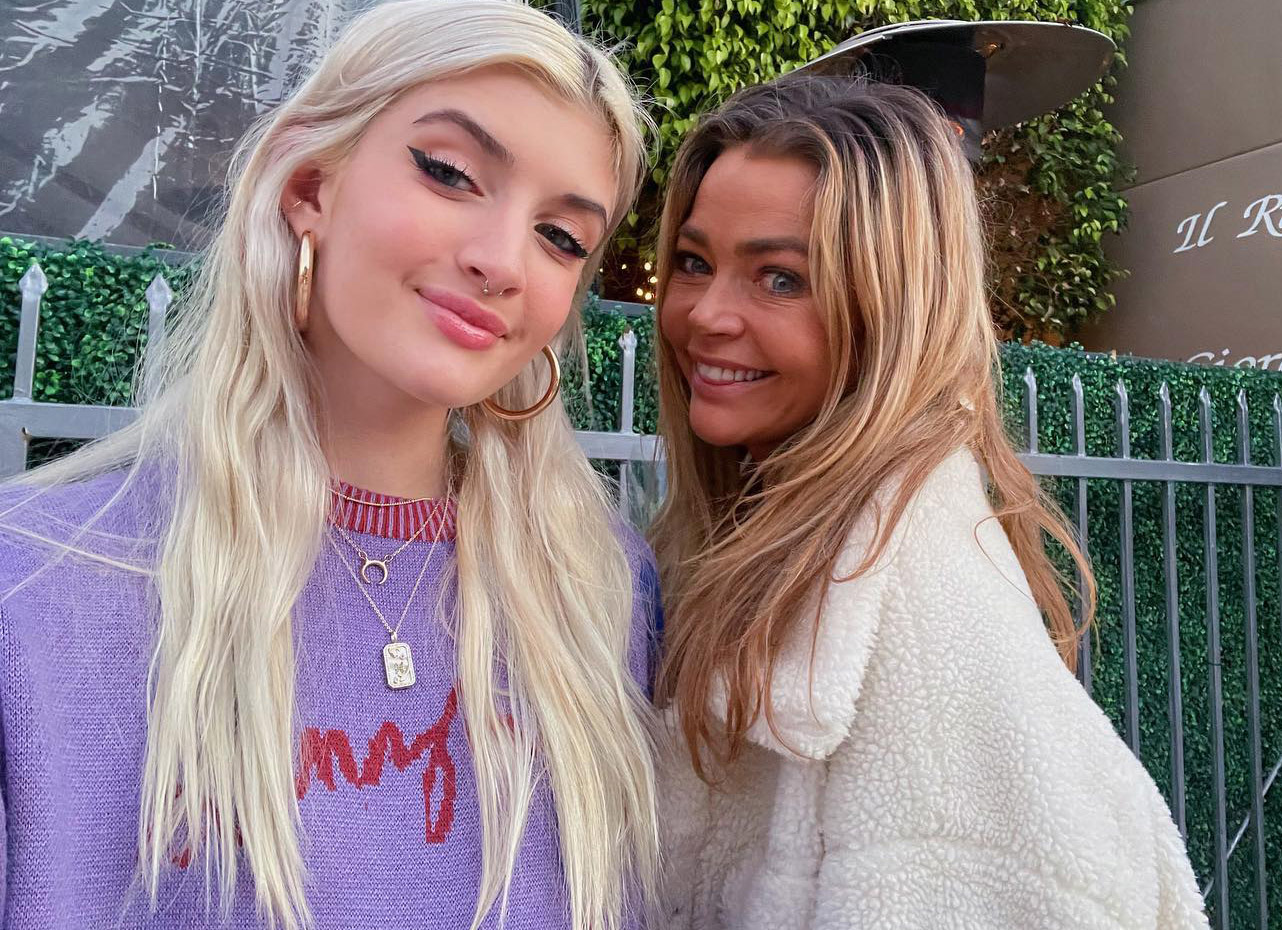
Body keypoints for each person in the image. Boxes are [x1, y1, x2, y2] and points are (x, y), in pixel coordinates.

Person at [0, 2, 660, 928]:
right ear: (310, 183)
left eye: (563, 238)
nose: (503, 261)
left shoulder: (603, 592)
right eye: (450, 173)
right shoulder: (35, 586)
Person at [650, 74, 1209, 929]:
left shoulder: (917, 619)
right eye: (694, 263)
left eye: (781, 279)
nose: (705, 315)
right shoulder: (756, 544)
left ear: (893, 310)